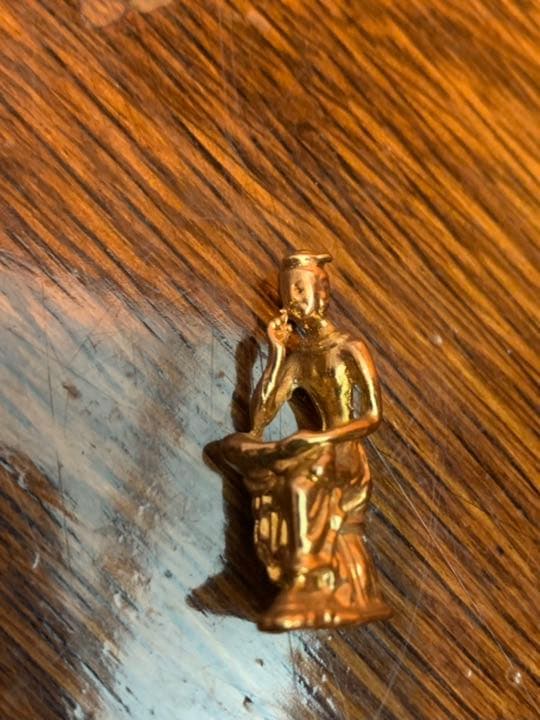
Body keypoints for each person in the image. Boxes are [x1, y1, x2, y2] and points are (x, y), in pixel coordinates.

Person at [221, 252, 392, 630]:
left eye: (301, 289)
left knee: (300, 483)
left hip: (343, 456)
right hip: (312, 450)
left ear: (322, 293)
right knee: (243, 448)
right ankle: (296, 573)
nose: (294, 300)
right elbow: (259, 419)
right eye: (289, 293)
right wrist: (276, 353)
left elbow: (372, 417)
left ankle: (306, 579)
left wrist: (319, 439)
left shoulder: (349, 347)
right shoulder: (299, 359)